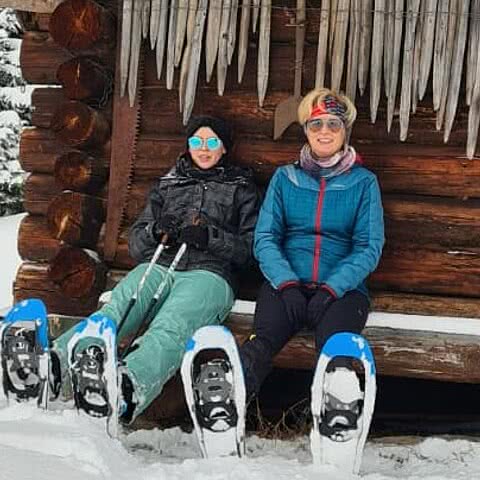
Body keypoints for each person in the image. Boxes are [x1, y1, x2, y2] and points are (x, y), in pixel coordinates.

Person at [51, 115, 261, 422]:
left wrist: (210, 237)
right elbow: (137, 244)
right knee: (119, 307)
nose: (203, 149)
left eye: (212, 142)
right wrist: (155, 230)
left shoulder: (242, 188)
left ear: (224, 147)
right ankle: (58, 361)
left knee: (172, 325)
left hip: (210, 275)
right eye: (197, 141)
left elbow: (251, 250)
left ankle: (130, 385)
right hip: (160, 263)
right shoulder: (169, 184)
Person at [240, 88, 385, 401]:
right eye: (316, 124)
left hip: (342, 292)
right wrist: (286, 283)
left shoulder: (363, 183)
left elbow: (368, 246)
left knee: (337, 349)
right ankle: (229, 398)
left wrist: (331, 289)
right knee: (261, 341)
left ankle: (339, 410)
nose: (325, 132)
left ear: (345, 131)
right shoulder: (285, 178)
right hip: (286, 286)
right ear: (305, 130)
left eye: (334, 124)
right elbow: (265, 237)